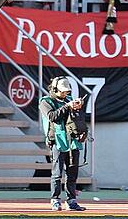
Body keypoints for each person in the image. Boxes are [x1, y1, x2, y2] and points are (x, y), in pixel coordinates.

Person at [39, 77, 86, 212]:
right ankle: (55, 200)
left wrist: (77, 107)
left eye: (67, 91)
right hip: (58, 142)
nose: (65, 94)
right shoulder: (45, 101)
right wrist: (68, 106)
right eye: (62, 91)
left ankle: (71, 201)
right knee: (57, 173)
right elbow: (52, 116)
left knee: (72, 173)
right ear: (54, 89)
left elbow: (74, 118)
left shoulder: (68, 99)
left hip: (73, 141)